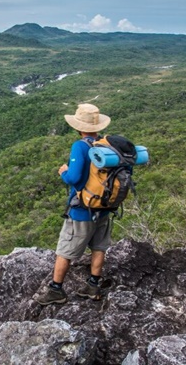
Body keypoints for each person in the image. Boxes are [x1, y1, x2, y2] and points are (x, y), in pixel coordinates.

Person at [35, 103, 113, 305]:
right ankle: (93, 286)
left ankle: (56, 290)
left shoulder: (80, 146)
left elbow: (75, 178)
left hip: (82, 210)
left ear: (79, 127)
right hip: (104, 207)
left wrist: (63, 172)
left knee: (64, 251)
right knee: (98, 246)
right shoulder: (105, 145)